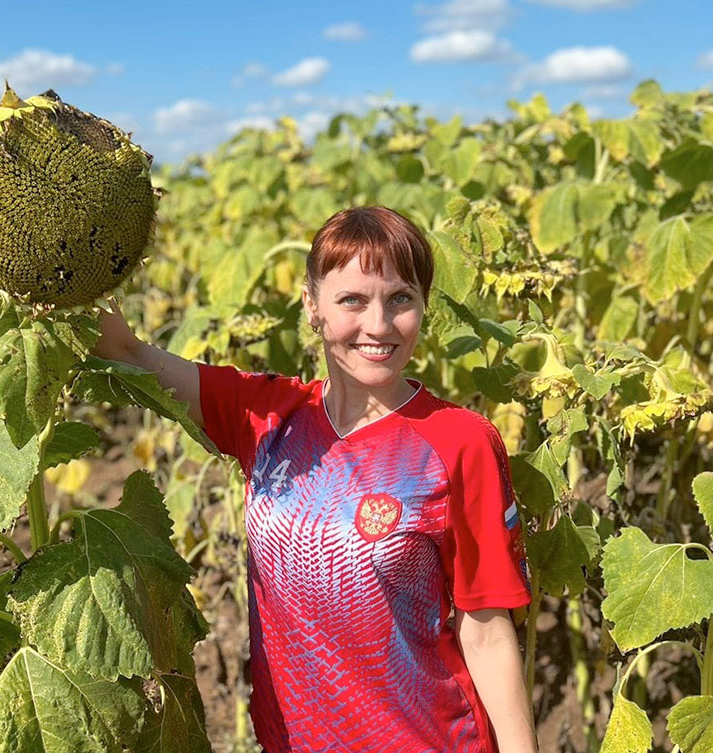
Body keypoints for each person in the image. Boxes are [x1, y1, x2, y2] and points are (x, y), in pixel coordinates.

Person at [93, 206, 538, 753]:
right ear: (312, 307)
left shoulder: (458, 442)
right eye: (352, 299)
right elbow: (123, 349)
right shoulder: (267, 415)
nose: (378, 325)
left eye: (401, 298)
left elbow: (488, 633)